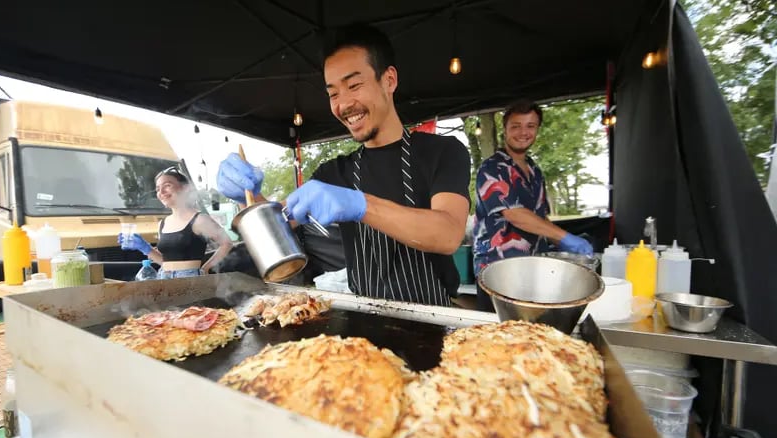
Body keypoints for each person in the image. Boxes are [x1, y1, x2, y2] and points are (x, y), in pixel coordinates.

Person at [216, 24, 471, 306]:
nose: (344, 104)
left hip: (435, 319)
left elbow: (449, 234)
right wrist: (248, 200)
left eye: (354, 85)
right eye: (333, 93)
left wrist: (360, 205)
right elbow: (280, 225)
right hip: (363, 326)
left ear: (389, 80)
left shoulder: (443, 152)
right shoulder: (332, 173)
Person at [472, 99, 593, 311]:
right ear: (505, 129)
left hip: (533, 273)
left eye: (530, 126)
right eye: (516, 126)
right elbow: (515, 215)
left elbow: (539, 217)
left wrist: (558, 239)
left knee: (530, 338)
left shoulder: (535, 171)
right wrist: (565, 237)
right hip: (497, 273)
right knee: (498, 339)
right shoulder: (492, 168)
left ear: (537, 129)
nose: (523, 132)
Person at [119, 166, 233, 278]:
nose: (161, 192)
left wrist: (205, 268)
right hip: (164, 277)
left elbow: (227, 244)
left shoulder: (200, 220)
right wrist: (144, 248)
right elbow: (165, 262)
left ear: (185, 188)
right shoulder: (162, 224)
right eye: (158, 189)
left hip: (190, 279)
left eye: (167, 185)